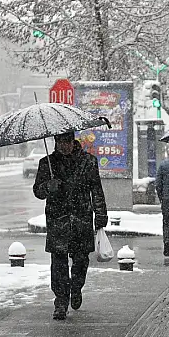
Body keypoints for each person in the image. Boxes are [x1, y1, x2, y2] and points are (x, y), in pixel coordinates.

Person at [33, 131, 108, 321]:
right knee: (58, 263)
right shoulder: (46, 164)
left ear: (73, 142)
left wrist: (101, 214)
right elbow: (37, 191)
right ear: (55, 143)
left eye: (66, 142)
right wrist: (48, 187)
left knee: (81, 260)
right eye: (59, 142)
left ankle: (76, 287)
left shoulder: (88, 161)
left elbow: (96, 189)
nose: (63, 146)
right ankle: (60, 300)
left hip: (81, 218)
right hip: (58, 220)